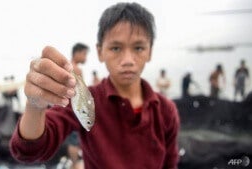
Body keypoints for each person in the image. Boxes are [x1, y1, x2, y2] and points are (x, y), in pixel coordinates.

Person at [10, 2, 180, 169]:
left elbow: (170, 163)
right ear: (100, 52)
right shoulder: (85, 100)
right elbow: (28, 151)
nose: (128, 60)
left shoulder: (166, 110)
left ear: (149, 51)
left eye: (138, 47)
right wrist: (35, 105)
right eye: (115, 48)